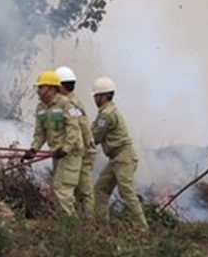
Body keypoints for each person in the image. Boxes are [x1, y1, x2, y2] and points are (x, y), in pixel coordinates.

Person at [90, 76, 148, 231]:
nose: (95, 99)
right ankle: (102, 228)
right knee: (100, 190)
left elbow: (94, 137)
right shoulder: (107, 112)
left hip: (122, 157)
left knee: (126, 192)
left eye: (96, 96)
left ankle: (142, 229)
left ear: (102, 96)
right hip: (117, 158)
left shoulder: (106, 115)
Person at [23, 70, 84, 217]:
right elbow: (39, 133)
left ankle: (72, 228)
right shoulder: (41, 108)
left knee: (62, 189)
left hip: (70, 154)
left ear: (51, 88)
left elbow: (73, 130)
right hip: (58, 154)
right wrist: (33, 149)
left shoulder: (66, 105)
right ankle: (67, 225)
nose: (38, 90)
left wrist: (65, 149)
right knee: (58, 191)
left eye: (41, 87)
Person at [56, 65, 96, 217]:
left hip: (83, 151)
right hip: (79, 150)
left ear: (61, 86)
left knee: (84, 190)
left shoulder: (71, 105)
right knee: (77, 188)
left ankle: (89, 223)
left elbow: (81, 127)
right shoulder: (68, 102)